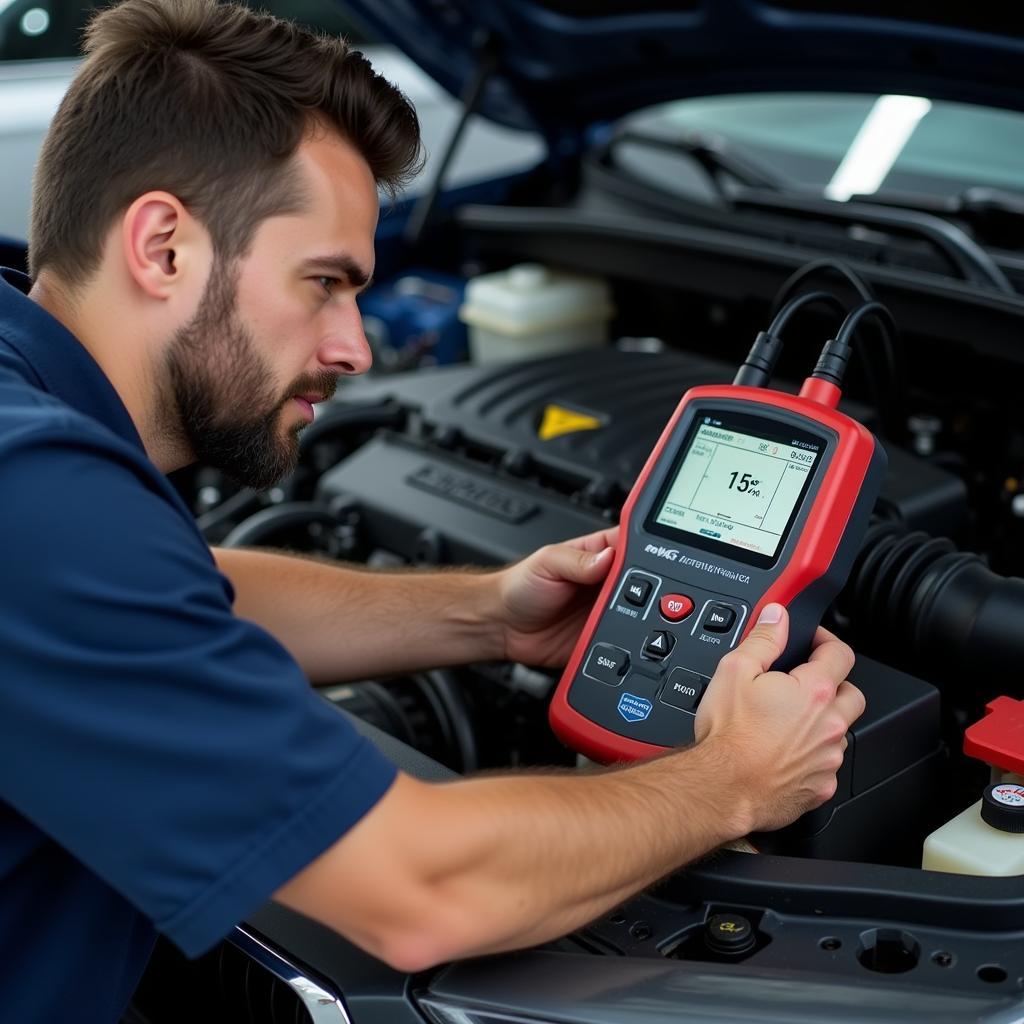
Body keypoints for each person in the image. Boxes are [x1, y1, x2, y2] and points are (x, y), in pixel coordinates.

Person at [0, 1, 865, 1019]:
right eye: (324, 283)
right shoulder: (35, 492)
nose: (356, 347)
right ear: (163, 247)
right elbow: (417, 892)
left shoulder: (32, 415)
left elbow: (174, 598)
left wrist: (488, 613)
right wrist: (733, 778)